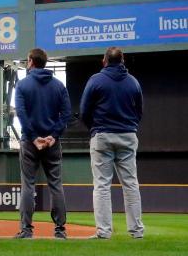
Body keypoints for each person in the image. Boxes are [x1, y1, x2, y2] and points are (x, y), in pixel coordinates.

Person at [79, 46, 144, 239]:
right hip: (127, 135)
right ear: (122, 61)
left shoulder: (96, 80)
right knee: (131, 184)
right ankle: (137, 232)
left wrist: (95, 128)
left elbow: (84, 111)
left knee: (101, 185)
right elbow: (139, 111)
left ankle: (104, 232)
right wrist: (129, 125)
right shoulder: (133, 82)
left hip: (102, 136)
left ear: (104, 61)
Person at [13, 48, 72, 239]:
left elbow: (21, 114)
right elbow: (67, 115)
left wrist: (32, 137)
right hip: (52, 142)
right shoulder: (58, 85)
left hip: (30, 142)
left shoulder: (22, 85)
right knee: (56, 184)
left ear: (31, 61)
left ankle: (26, 230)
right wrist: (53, 136)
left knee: (28, 185)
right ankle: (60, 231)